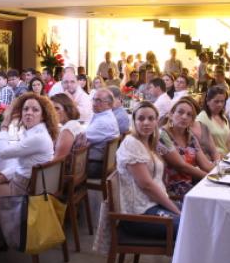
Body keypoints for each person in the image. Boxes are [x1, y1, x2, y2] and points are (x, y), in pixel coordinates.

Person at [116, 101, 181, 239]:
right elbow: (147, 186)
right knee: (186, 225)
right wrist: (175, 210)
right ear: (134, 121)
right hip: (138, 213)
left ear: (157, 121)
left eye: (151, 118)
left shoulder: (149, 141)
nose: (146, 123)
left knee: (196, 215)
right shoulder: (131, 143)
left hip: (153, 203)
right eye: (141, 118)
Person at [159, 97, 215, 199]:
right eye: (180, 112)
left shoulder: (190, 137)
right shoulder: (163, 135)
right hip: (171, 190)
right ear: (171, 115)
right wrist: (210, 178)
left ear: (192, 121)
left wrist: (221, 174)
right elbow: (181, 166)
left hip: (189, 185)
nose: (184, 117)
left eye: (189, 115)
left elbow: (205, 164)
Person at [85, 88, 121, 179]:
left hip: (95, 165)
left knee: (62, 169)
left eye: (98, 101)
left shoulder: (103, 122)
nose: (94, 103)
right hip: (99, 162)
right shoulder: (104, 116)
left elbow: (80, 139)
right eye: (94, 99)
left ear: (109, 104)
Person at [196, 85, 230, 157]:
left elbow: (229, 141)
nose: (220, 105)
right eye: (216, 101)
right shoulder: (201, 119)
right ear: (208, 101)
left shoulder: (223, 117)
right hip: (213, 158)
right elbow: (201, 147)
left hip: (226, 157)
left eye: (222, 101)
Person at [51, 93, 86, 160]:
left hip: (63, 166)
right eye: (51, 109)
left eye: (57, 108)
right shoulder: (74, 124)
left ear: (67, 109)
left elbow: (58, 160)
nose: (53, 112)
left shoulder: (68, 129)